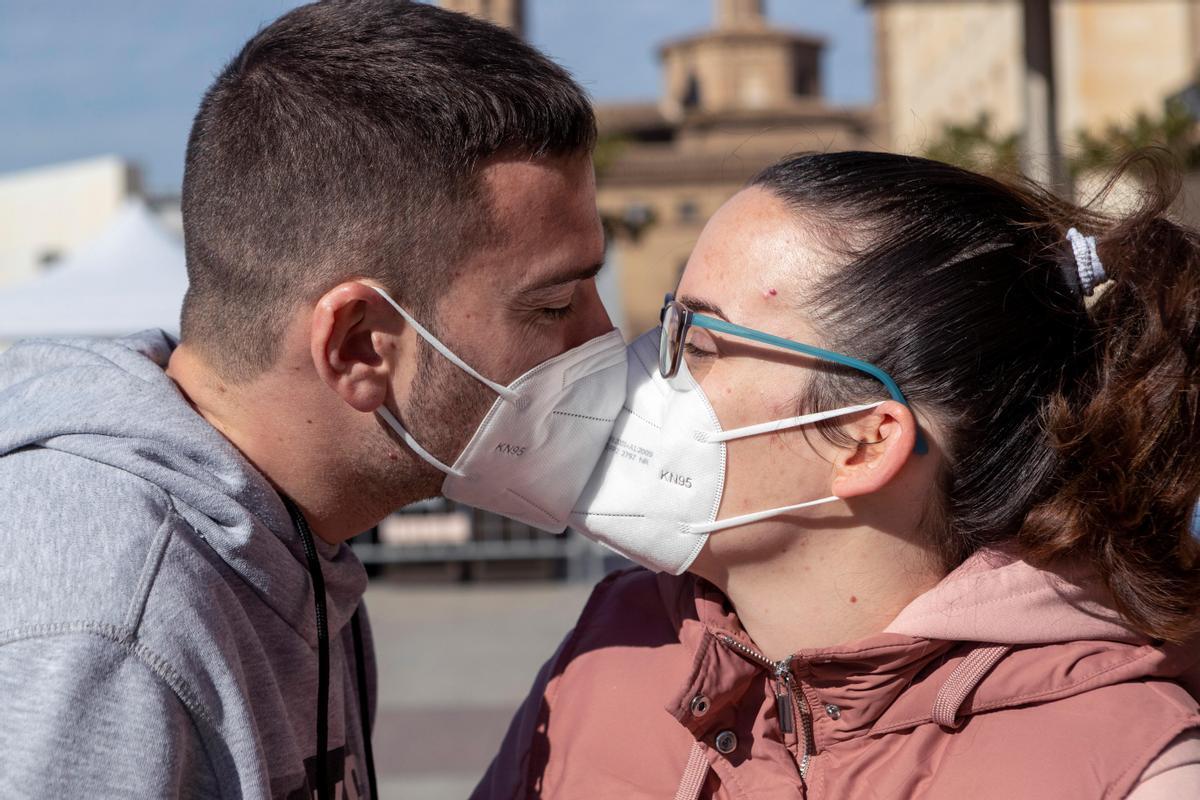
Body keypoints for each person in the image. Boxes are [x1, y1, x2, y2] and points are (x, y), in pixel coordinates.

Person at [0, 2, 621, 798]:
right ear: (360, 345)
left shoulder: (293, 537)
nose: (601, 339)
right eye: (552, 304)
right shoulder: (107, 631)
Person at [475, 150, 1200, 799]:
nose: (638, 370)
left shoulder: (1134, 768)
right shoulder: (613, 643)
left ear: (863, 440)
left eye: (695, 339)